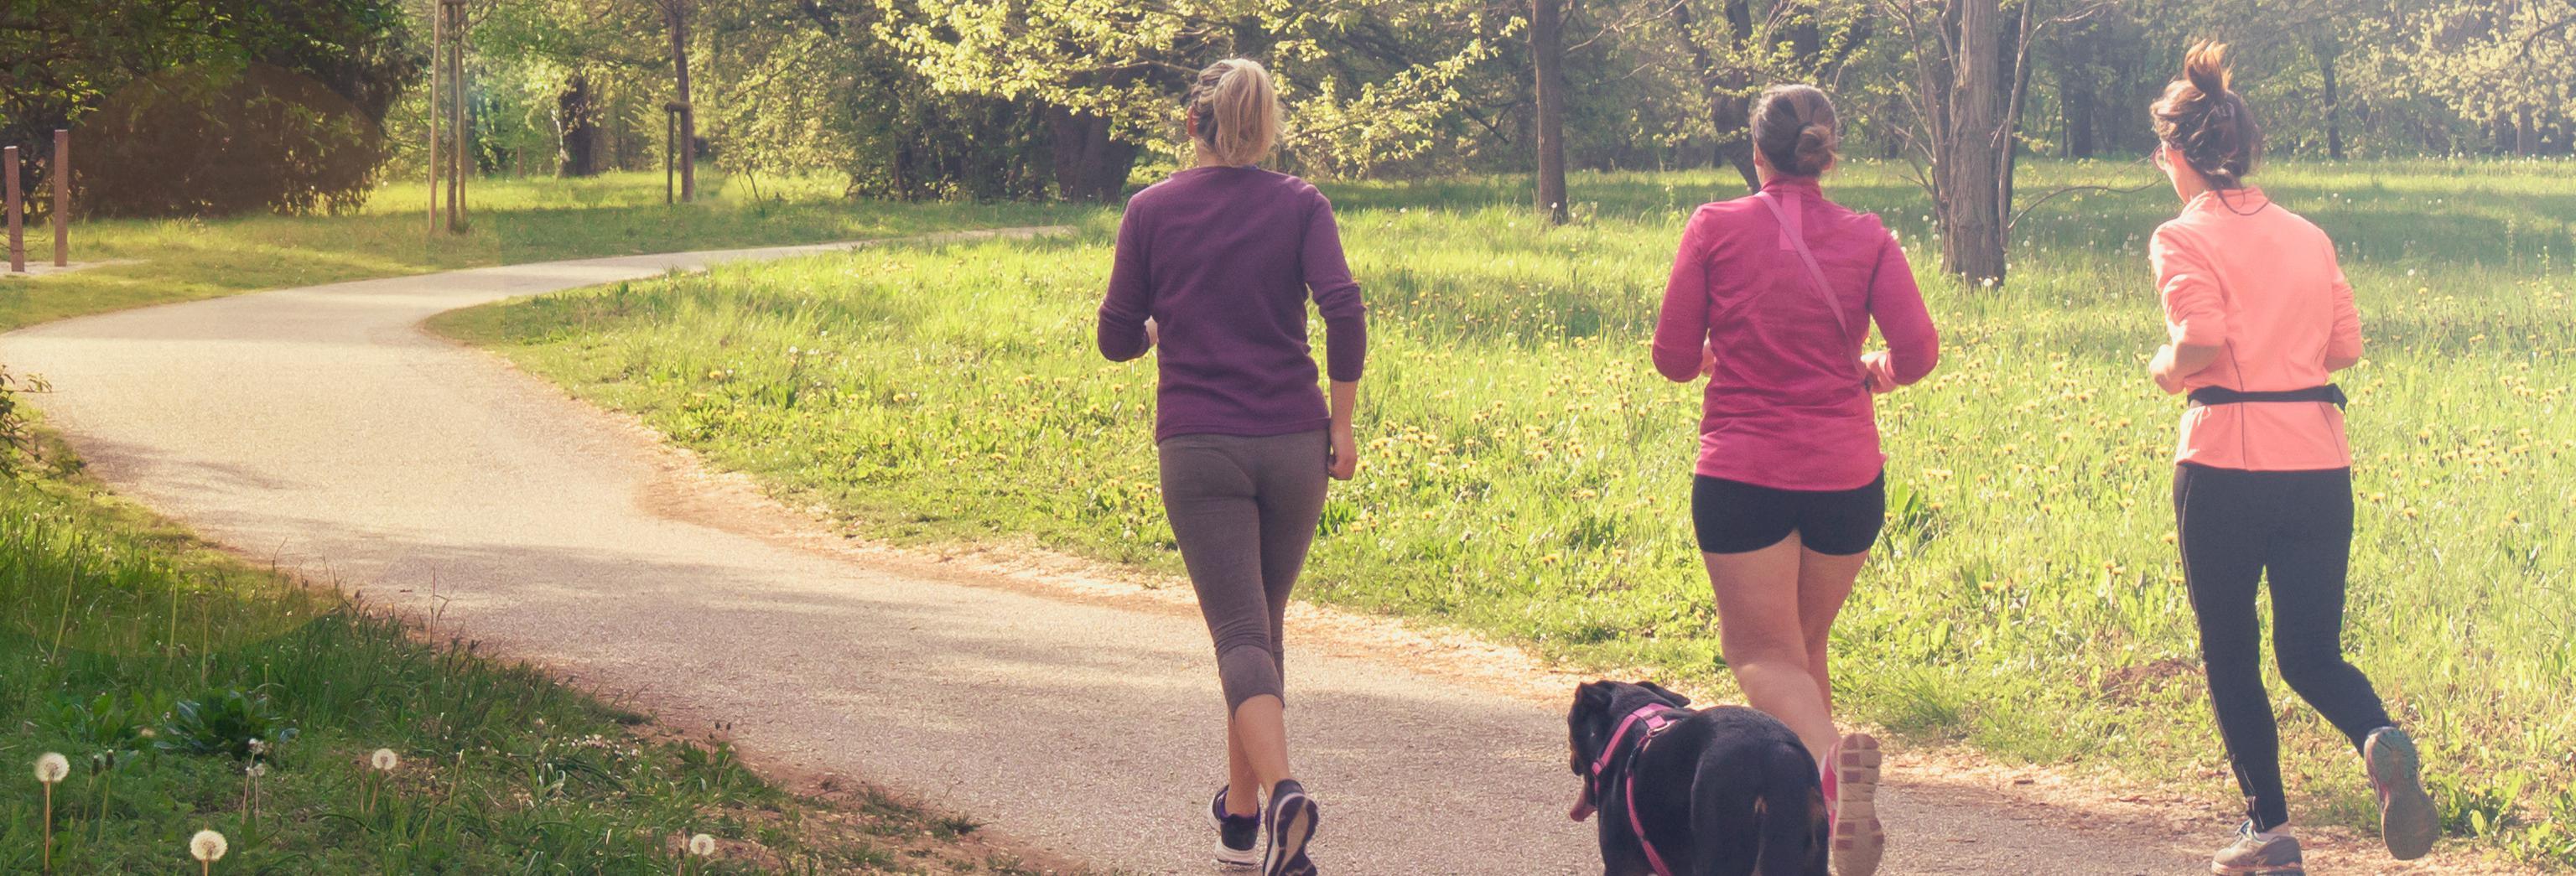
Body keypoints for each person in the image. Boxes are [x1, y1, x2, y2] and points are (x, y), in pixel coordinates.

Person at [2142, 42, 2438, 874]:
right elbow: (2344, 345)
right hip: (2317, 463)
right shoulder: (2309, 236)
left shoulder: (2179, 236)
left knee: (2231, 648)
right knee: (2310, 649)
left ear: (2178, 154)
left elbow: (2198, 341)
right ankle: (2377, 734)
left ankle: (2268, 830)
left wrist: (2167, 367)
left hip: (2225, 464)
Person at [1650, 84, 1938, 876]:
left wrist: (1717, 355)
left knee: (1759, 653)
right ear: (1828, 152)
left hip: (1746, 471)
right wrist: (1872, 372)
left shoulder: (1714, 227)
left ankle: (1829, 772)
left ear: (1757, 153)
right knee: (1804, 647)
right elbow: (1918, 352)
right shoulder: (1869, 237)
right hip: (1847, 480)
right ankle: (1812, 827)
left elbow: (1672, 359)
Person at [1096, 57, 1363, 876]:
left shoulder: (1151, 210)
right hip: (1295, 444)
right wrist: (1343, 425)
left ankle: (1284, 793)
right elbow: (1344, 309)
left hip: (1201, 447)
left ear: (1192, 124)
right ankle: (1242, 820)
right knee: (1261, 630)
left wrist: (1152, 333)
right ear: (1265, 126)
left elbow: (1114, 337)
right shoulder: (1301, 204)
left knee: (1241, 632)